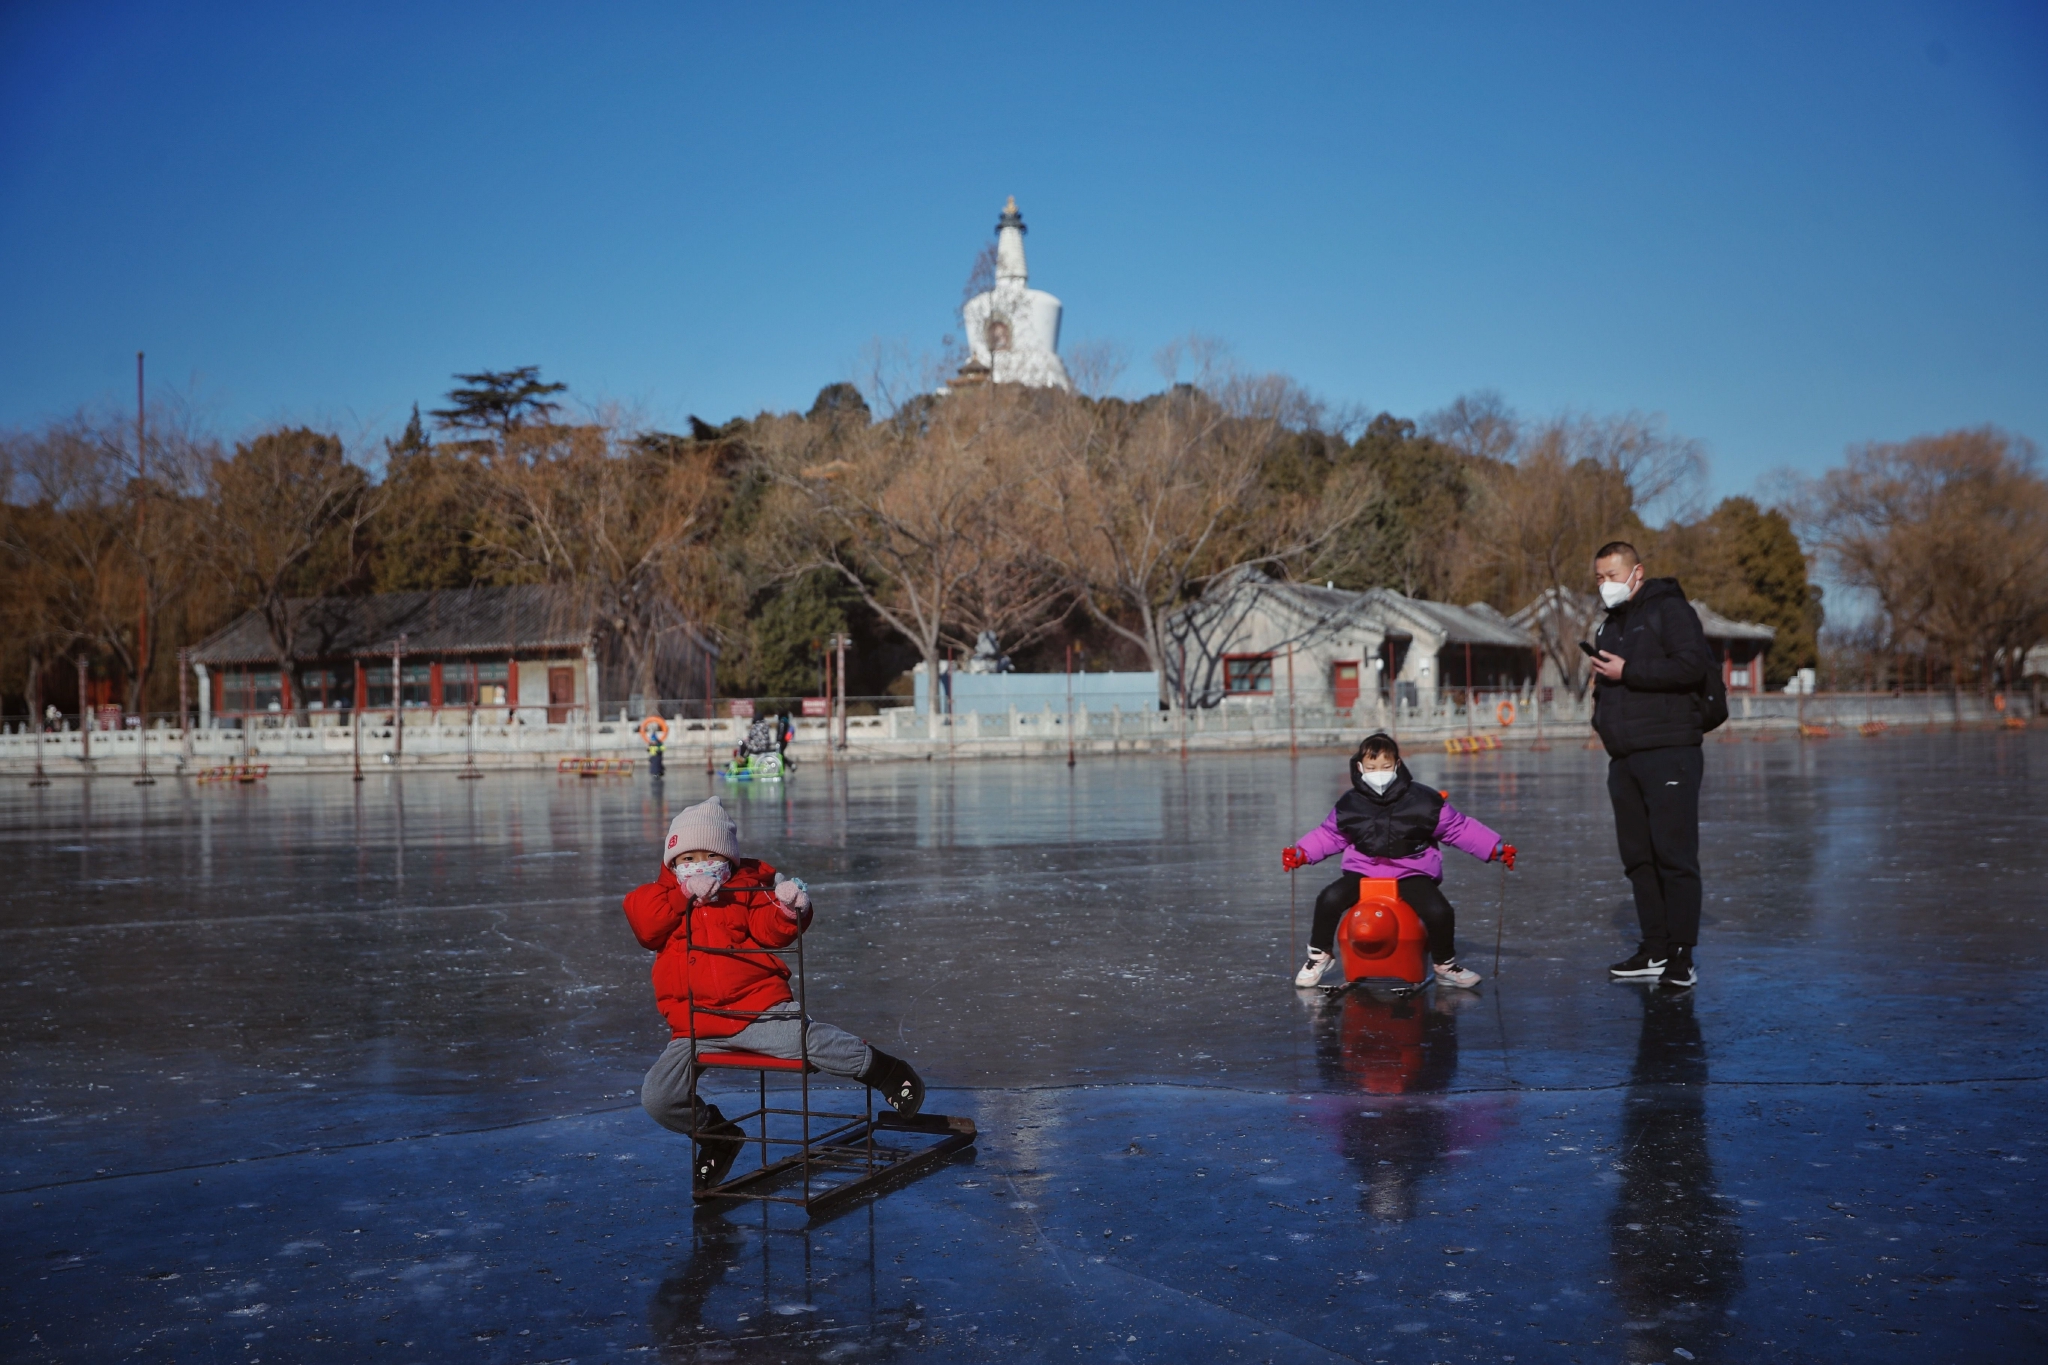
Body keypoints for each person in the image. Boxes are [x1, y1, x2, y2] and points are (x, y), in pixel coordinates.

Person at [622, 795, 924, 1189]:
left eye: (710, 856)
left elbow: (772, 931)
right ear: (673, 862)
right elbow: (647, 927)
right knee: (659, 1096)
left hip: (754, 1011)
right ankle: (717, 1136)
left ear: (728, 860)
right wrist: (684, 896)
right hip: (694, 1026)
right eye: (688, 858)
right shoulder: (659, 897)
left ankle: (886, 1071)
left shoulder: (746, 888)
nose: (700, 865)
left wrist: (788, 909)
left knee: (806, 1041)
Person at [1281, 732, 1515, 990]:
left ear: (1397, 765)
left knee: (1439, 912)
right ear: (1360, 768)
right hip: (1365, 869)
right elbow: (1331, 835)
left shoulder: (1424, 800)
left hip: (1410, 870)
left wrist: (1494, 848)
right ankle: (1319, 955)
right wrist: (1301, 853)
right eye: (1371, 767)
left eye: (1385, 766)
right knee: (1329, 898)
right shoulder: (1350, 803)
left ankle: (1445, 965)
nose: (1378, 773)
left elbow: (1456, 828)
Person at [1588, 540, 1716, 989]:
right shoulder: (1609, 625)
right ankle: (1655, 948)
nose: (1605, 585)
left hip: (1669, 750)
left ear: (1636, 572)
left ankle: (1681, 954)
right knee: (1638, 858)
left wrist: (1629, 671)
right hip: (1624, 757)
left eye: (1612, 575)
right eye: (1599, 578)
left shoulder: (1671, 611)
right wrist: (1601, 718)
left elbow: (1691, 667)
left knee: (1674, 856)